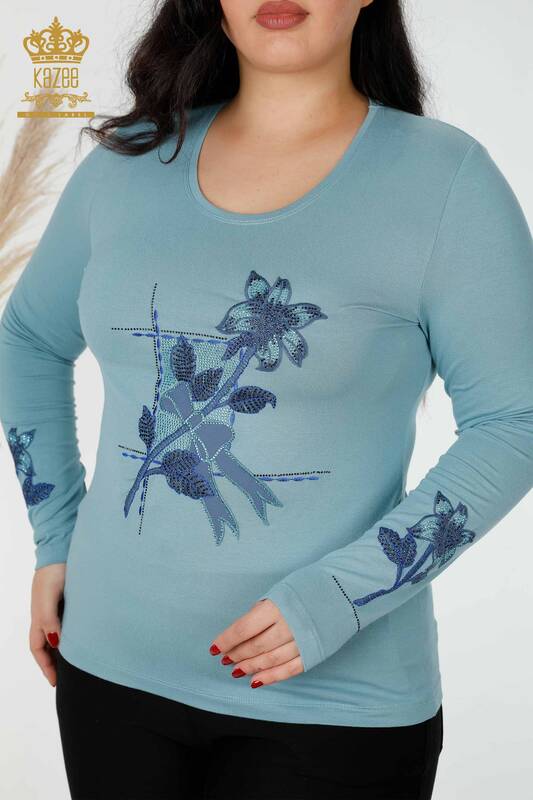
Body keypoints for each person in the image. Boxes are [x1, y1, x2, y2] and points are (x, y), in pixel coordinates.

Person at [1, 0, 532, 797]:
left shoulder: (444, 179)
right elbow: (26, 340)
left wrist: (341, 596)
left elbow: (515, 420)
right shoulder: (127, 162)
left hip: (336, 710)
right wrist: (54, 535)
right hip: (108, 678)